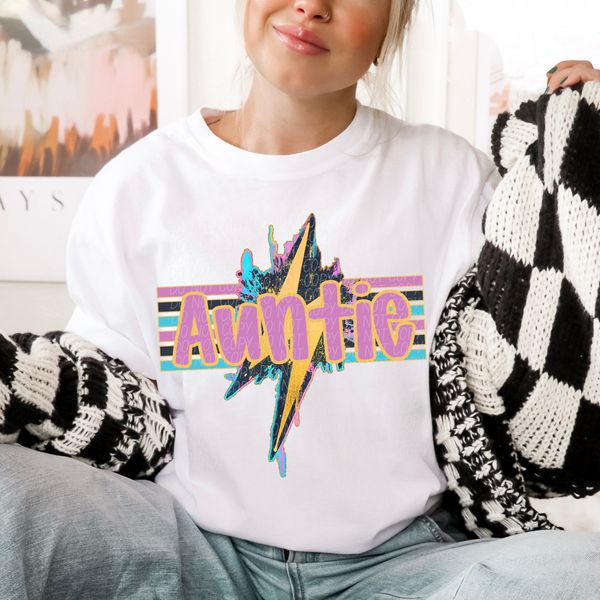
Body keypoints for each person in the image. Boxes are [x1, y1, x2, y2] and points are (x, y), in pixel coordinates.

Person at [2, 1, 600, 598]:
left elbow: (538, 414)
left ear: (392, 25)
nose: (312, 5)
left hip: (406, 565)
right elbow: (123, 410)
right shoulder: (137, 188)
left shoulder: (452, 179)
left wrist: (586, 165)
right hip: (195, 553)